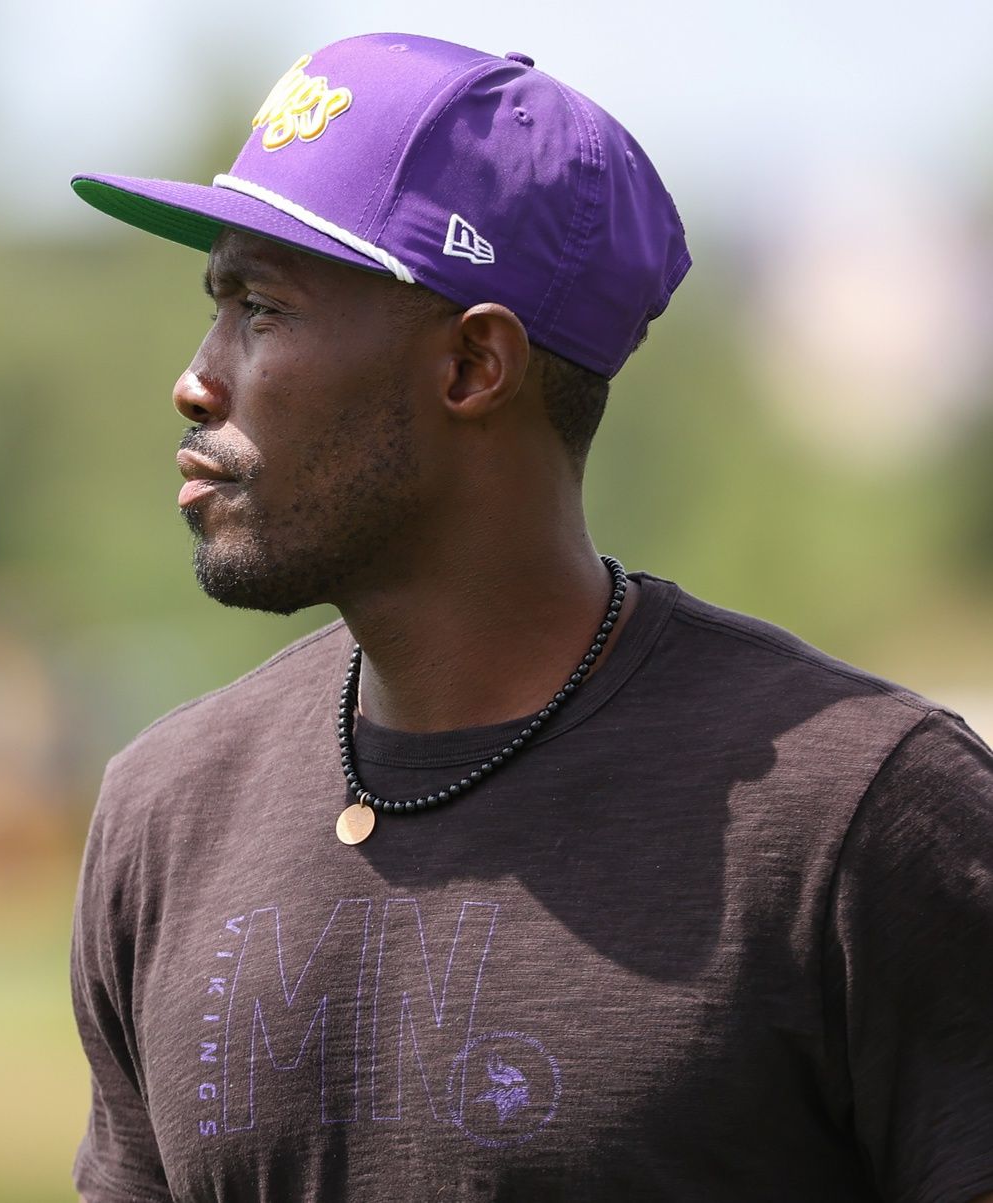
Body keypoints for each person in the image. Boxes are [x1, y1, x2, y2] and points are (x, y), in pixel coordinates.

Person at [64, 32, 993, 1203]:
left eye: (262, 308)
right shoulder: (168, 812)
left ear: (471, 368)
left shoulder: (864, 822)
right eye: (217, 305)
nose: (196, 379)